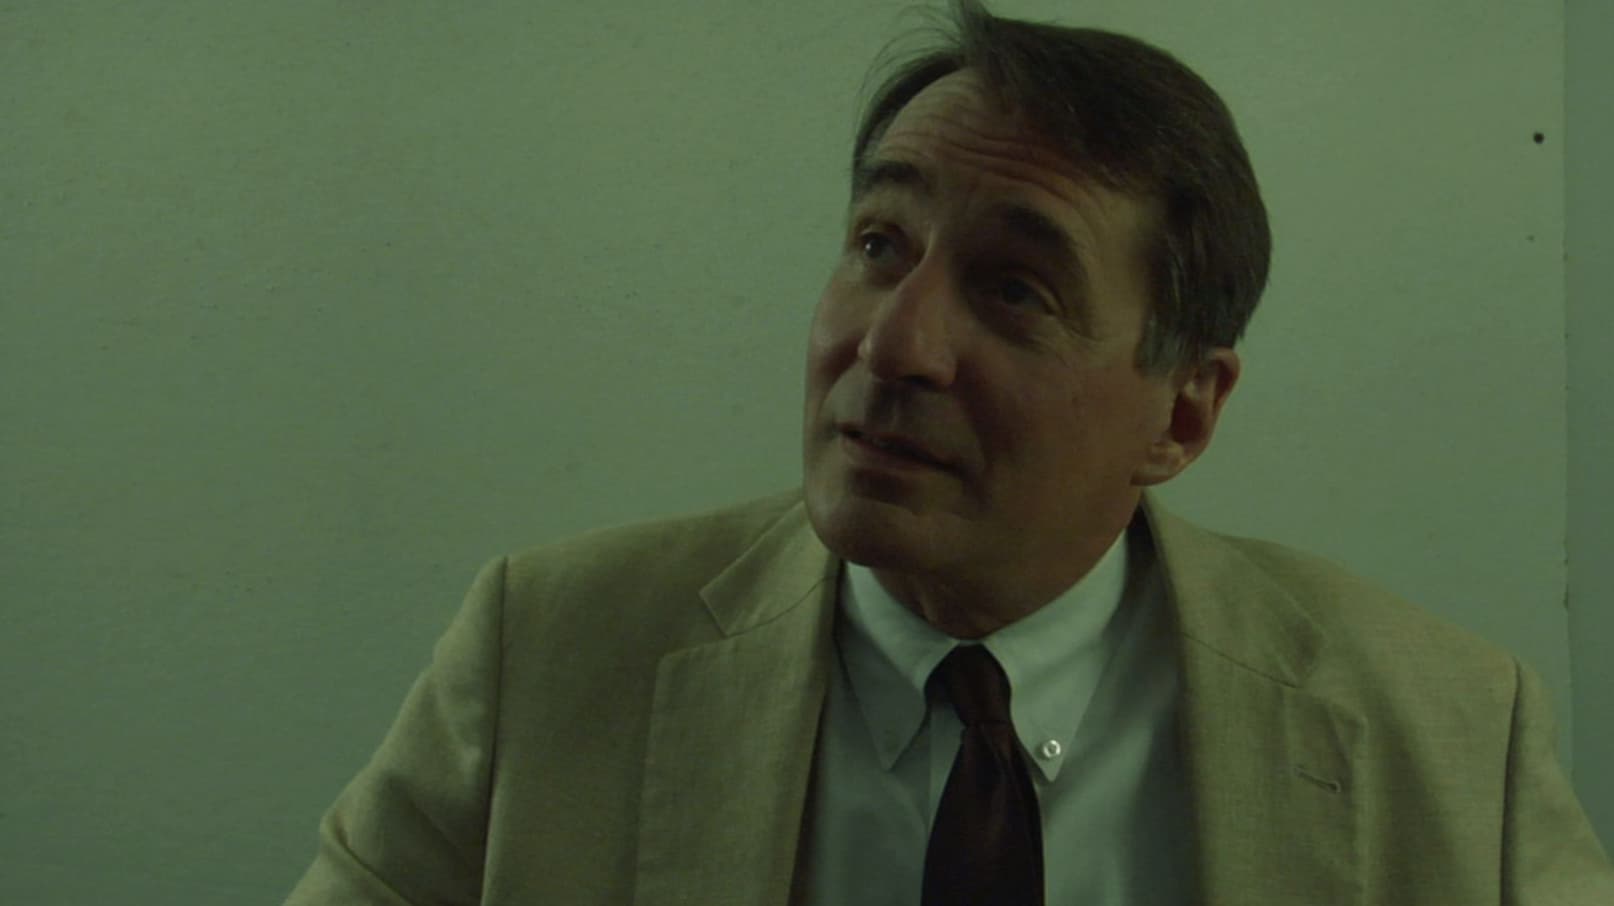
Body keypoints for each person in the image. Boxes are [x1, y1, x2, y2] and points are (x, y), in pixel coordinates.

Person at [282, 1, 1614, 903]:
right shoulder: (549, 656)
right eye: (880, 245)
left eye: (1015, 289)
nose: (894, 342)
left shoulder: (1445, 735)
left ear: (1182, 415)